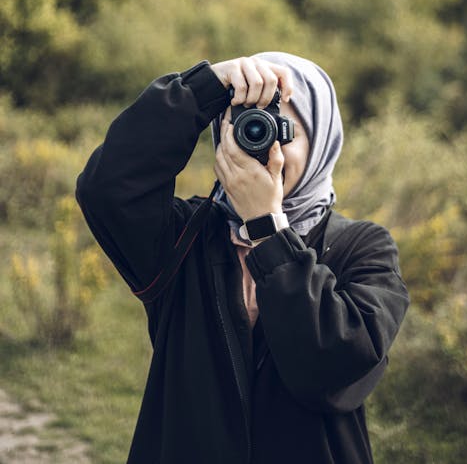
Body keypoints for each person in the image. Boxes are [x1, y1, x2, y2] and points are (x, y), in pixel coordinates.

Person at [76, 53, 410, 464]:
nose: (265, 145)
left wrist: (267, 228)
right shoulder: (187, 237)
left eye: (282, 129)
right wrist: (205, 87)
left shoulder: (363, 247)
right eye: (247, 124)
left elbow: (334, 366)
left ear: (322, 140)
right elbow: (108, 189)